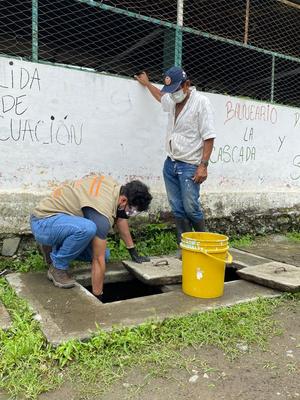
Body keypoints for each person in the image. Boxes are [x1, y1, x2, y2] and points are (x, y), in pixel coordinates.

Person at [135, 66, 216, 255]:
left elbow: (209, 137)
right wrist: (147, 84)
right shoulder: (172, 99)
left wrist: (203, 166)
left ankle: (206, 246)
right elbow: (160, 97)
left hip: (190, 165)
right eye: (171, 91)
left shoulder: (201, 103)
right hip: (170, 163)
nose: (174, 94)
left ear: (187, 84)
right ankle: (186, 249)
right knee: (178, 209)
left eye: (177, 89)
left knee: (191, 207)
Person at [30, 174, 152, 295]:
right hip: (42, 221)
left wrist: (132, 251)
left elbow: (121, 218)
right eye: (131, 210)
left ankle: (51, 246)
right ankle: (58, 268)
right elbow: (97, 261)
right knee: (87, 229)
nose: (130, 214)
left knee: (105, 254)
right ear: (124, 200)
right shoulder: (101, 214)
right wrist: (98, 295)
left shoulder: (115, 189)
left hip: (61, 223)